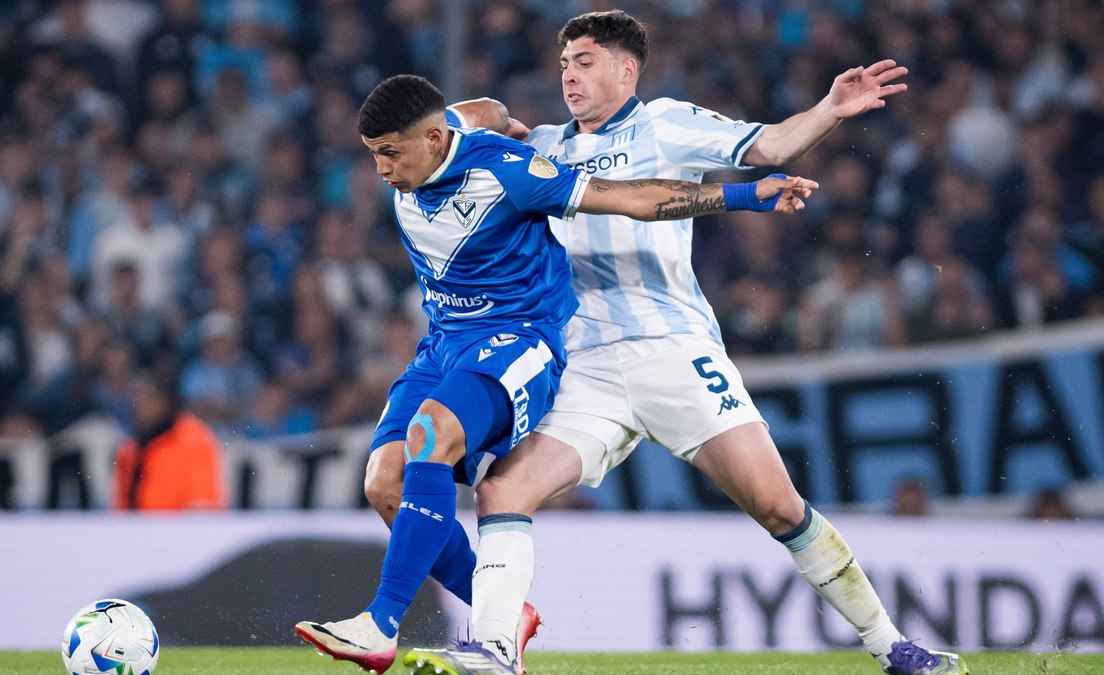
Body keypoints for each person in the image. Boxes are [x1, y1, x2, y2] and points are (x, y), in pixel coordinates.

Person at [397, 11, 967, 675]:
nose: (569, 75)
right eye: (563, 64)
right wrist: (488, 112)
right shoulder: (540, 146)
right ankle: (496, 651)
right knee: (501, 490)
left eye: (584, 61)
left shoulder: (666, 123)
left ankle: (892, 644)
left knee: (778, 504)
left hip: (672, 350)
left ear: (625, 69)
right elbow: (442, 128)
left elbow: (774, 147)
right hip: (581, 366)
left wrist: (830, 109)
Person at [292, 73, 816, 675]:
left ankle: (380, 623)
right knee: (385, 484)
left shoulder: (512, 172)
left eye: (390, 153)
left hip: (517, 339)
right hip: (443, 343)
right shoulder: (452, 127)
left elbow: (632, 198)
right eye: (373, 154)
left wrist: (746, 196)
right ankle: (505, 614)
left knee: (429, 439)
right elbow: (482, 107)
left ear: (433, 140)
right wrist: (502, 113)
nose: (381, 170)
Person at [111, 368, 226, 511]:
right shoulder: (130, 448)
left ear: (165, 401)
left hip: (178, 528)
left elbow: (203, 503)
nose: (139, 403)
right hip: (137, 529)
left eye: (148, 396)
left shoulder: (193, 440)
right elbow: (122, 506)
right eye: (136, 396)